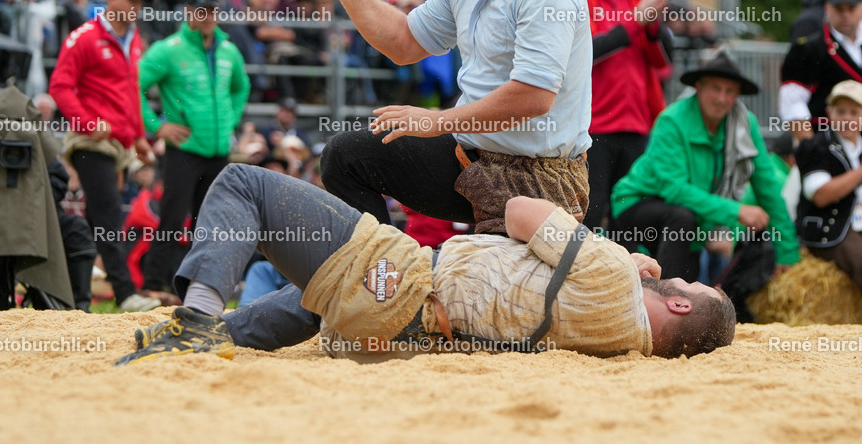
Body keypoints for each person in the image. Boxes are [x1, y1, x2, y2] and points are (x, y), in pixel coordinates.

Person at [115, 164, 736, 365]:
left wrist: (618, 256)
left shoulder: (608, 274)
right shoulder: (619, 347)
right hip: (396, 335)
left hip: (401, 279)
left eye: (693, 284)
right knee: (313, 302)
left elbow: (520, 210)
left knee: (241, 184)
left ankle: (197, 318)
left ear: (679, 304)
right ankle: (200, 342)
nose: (686, 275)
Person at [312, 0, 592, 234]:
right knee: (344, 156)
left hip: (537, 180)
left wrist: (434, 121)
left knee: (483, 284)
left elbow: (534, 96)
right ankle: (382, 277)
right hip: (470, 156)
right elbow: (403, 43)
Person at [612, 51, 801, 282]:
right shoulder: (671, 120)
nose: (721, 98)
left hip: (694, 219)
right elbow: (675, 190)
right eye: (715, 88)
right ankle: (668, 299)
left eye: (729, 91)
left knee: (694, 275)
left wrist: (787, 252)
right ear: (699, 88)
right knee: (682, 221)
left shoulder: (746, 125)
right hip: (635, 205)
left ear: (737, 96)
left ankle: (679, 300)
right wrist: (736, 211)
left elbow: (768, 188)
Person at [49, 0, 161, 313]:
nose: (137, 7)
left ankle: (77, 292)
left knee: (99, 216)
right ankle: (125, 293)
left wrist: (139, 136)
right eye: (131, 0)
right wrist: (85, 123)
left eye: (140, 2)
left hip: (118, 144)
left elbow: (130, 94)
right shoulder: (84, 38)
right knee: (109, 215)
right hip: (91, 141)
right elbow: (60, 86)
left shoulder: (134, 39)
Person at [138, 0, 250, 295]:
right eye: (202, 10)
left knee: (210, 224)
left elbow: (242, 88)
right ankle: (152, 286)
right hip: (183, 151)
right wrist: (157, 127)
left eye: (213, 10)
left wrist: (232, 120)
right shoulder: (169, 49)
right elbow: (134, 86)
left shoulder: (228, 50)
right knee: (171, 220)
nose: (208, 16)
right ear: (189, 12)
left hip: (217, 151)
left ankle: (200, 290)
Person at [581, 0, 672, 230]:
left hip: (638, 124)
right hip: (594, 127)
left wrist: (654, 25)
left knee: (631, 218)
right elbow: (586, 51)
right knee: (591, 216)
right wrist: (635, 21)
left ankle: (634, 279)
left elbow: (664, 63)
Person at [795, 80, 862, 292]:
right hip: (831, 230)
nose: (848, 118)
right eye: (841, 111)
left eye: (854, 112)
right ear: (829, 113)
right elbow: (821, 195)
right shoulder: (815, 146)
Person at [781, 0, 862, 141]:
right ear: (827, 8)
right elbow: (793, 104)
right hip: (825, 142)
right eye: (839, 8)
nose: (845, 14)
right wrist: (811, 149)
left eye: (851, 8)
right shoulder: (807, 49)